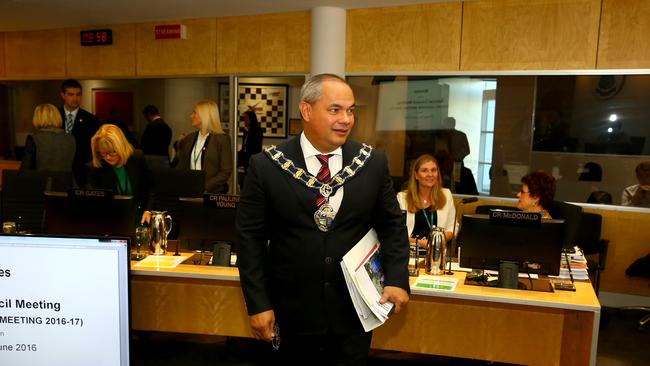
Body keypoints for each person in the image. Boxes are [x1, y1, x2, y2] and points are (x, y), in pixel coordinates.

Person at [236, 74, 409, 364]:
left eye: (351, 110)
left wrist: (397, 279)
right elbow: (249, 239)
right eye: (335, 109)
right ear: (306, 110)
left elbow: (392, 226)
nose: (346, 119)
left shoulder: (371, 163)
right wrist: (258, 305)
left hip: (354, 314)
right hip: (289, 315)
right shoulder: (266, 166)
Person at [87, 124, 150, 223]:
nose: (107, 157)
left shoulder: (137, 158)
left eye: (112, 152)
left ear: (121, 146)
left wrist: (148, 210)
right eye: (102, 153)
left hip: (140, 218)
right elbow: (94, 203)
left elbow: (150, 188)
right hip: (111, 221)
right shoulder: (95, 168)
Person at [172, 100, 233, 194]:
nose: (191, 116)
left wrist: (205, 187)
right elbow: (181, 167)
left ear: (205, 116)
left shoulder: (222, 139)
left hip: (212, 194)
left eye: (194, 112)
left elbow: (225, 171)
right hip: (189, 192)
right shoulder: (188, 139)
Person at [397, 154, 456, 247]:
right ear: (416, 175)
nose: (430, 174)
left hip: (436, 252)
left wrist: (436, 242)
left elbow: (452, 228)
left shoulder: (446, 195)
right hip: (410, 252)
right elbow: (397, 231)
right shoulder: (402, 198)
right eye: (424, 170)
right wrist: (421, 243)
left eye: (433, 170)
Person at [58, 79, 101, 186]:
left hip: (82, 173)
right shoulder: (54, 116)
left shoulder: (91, 120)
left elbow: (95, 147)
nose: (75, 98)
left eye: (78, 95)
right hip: (58, 170)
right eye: (71, 94)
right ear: (63, 95)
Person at [20, 103, 76, 171]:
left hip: (43, 180)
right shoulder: (70, 138)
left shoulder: (34, 139)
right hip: (66, 181)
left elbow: (25, 170)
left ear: (37, 118)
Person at [237, 108, 263, 173]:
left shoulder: (257, 131)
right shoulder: (246, 131)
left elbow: (257, 148)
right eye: (244, 118)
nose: (244, 120)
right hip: (245, 156)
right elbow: (244, 147)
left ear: (251, 119)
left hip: (252, 158)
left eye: (246, 118)